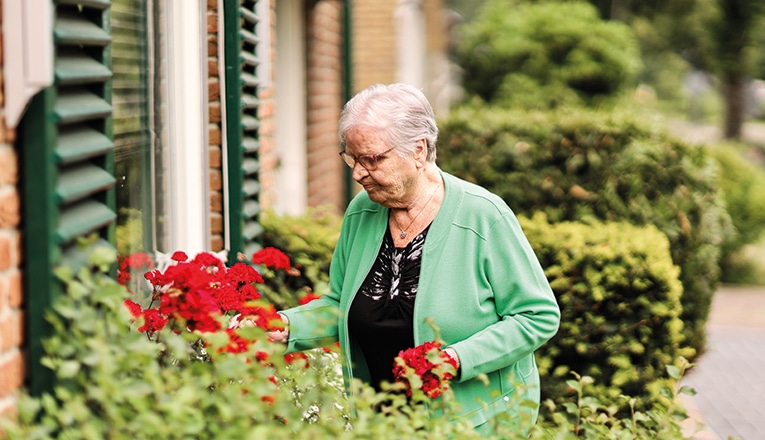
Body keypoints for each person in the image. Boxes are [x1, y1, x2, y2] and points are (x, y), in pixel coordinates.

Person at [264, 83, 560, 431]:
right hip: (381, 423)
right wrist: (284, 326)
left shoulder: (483, 216)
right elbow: (340, 305)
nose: (358, 174)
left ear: (418, 150)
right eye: (351, 158)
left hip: (476, 424)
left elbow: (536, 316)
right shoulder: (363, 211)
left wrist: (455, 359)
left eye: (372, 159)